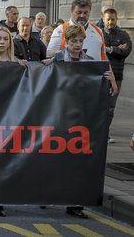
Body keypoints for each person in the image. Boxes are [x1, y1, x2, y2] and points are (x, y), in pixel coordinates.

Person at [43, 24, 117, 219]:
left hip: (80, 119)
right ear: (67, 41)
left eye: (80, 41)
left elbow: (99, 90)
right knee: (54, 157)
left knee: (76, 161)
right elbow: (43, 79)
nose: (77, 44)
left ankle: (74, 203)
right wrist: (44, 66)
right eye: (74, 41)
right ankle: (46, 193)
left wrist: (107, 79)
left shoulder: (90, 62)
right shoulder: (57, 59)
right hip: (58, 116)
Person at [101, 7, 131, 143]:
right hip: (101, 75)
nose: (110, 22)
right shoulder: (99, 33)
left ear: (116, 19)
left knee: (111, 108)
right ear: (103, 19)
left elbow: (126, 51)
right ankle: (97, 132)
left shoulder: (123, 34)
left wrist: (109, 49)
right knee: (99, 106)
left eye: (113, 19)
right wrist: (116, 49)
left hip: (117, 76)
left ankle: (105, 134)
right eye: (108, 19)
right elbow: (100, 50)